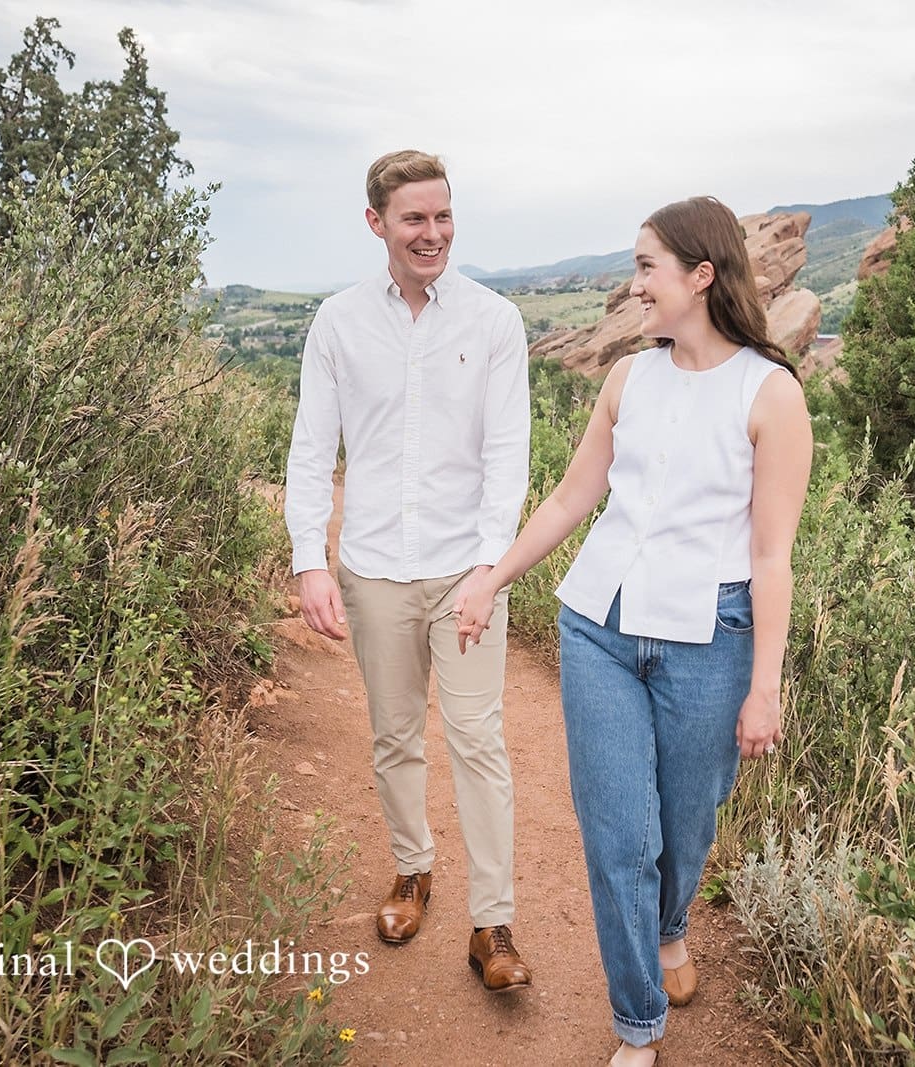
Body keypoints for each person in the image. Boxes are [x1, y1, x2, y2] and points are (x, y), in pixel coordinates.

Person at [452, 196, 813, 1065]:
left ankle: (672, 924)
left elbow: (772, 558)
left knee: (685, 831)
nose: (635, 282)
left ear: (702, 275)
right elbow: (577, 496)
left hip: (711, 636)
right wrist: (493, 575)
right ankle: (637, 1025)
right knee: (620, 840)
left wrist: (765, 686)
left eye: (648, 265)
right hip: (600, 629)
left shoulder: (771, 394)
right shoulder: (629, 378)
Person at [284, 149, 533, 991]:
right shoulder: (339, 322)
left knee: (478, 739)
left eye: (443, 215)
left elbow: (508, 456)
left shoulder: (495, 321)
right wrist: (309, 561)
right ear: (377, 224)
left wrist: (489, 567)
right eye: (414, 219)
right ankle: (413, 869)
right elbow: (312, 451)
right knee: (395, 734)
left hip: (467, 571)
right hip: (375, 570)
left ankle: (492, 924)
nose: (433, 233)